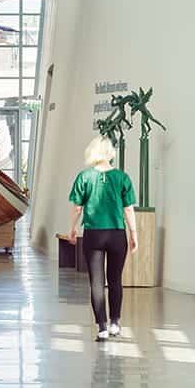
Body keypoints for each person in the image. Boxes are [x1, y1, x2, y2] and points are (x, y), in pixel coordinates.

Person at [68, 136, 138, 342]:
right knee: (115, 280)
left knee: (97, 282)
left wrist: (72, 228)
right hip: (117, 234)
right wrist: (134, 234)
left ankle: (102, 328)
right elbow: (128, 209)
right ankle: (115, 323)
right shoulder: (122, 177)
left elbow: (77, 208)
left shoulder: (84, 177)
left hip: (94, 234)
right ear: (110, 153)